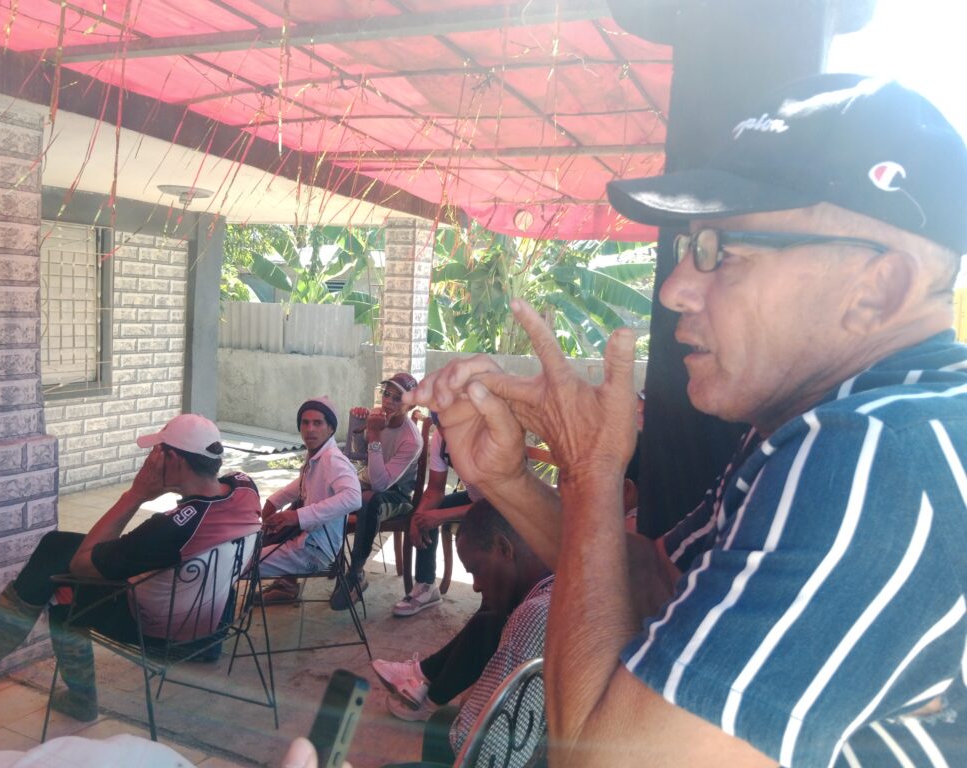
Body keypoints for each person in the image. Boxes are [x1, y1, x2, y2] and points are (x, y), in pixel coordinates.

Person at [409, 74, 967, 767]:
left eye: (721, 252)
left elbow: (611, 761)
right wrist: (510, 481)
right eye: (689, 247)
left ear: (879, 289)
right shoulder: (832, 423)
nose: (675, 290)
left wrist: (591, 468)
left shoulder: (880, 456)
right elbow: (655, 587)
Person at [0, 414, 262, 722]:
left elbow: (82, 563)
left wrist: (135, 495)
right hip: (212, 621)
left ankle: (75, 697)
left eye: (156, 451)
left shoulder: (166, 530)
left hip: (156, 628)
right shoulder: (245, 488)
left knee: (61, 587)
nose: (149, 459)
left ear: (173, 459)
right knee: (56, 546)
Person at [375, 500, 552, 767]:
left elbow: (476, 745)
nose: (476, 586)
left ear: (504, 548)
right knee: (441, 721)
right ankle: (424, 680)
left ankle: (423, 682)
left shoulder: (533, 616)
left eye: (476, 570)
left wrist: (478, 698)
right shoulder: (560, 586)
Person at [332, 372, 423, 609]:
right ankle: (298, 572)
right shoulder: (377, 418)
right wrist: (358, 427)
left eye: (397, 398)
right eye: (386, 394)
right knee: (324, 484)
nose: (388, 402)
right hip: (367, 482)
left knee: (370, 501)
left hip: (398, 494)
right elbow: (361, 456)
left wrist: (373, 435)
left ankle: (356, 573)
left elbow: (381, 484)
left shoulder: (411, 439)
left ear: (411, 404)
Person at [259, 397, 362, 604]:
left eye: (317, 423)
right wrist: (273, 502)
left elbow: (353, 497)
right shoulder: (317, 456)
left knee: (235, 563)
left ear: (330, 429)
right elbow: (302, 482)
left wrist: (297, 516)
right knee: (243, 550)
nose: (310, 429)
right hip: (306, 543)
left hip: (314, 552)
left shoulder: (333, 459)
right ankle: (286, 586)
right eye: (305, 423)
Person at [393, 412, 482, 617]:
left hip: (509, 509)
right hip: (476, 498)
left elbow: (498, 504)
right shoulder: (441, 439)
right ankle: (426, 586)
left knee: (438, 515)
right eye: (441, 422)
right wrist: (419, 516)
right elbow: (435, 489)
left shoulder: (490, 439)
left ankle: (495, 602)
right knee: (426, 513)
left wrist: (442, 516)